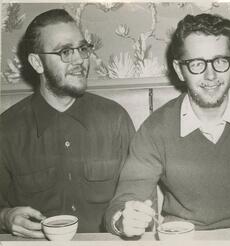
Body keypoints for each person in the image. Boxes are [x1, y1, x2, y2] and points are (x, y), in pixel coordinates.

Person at [105, 13, 230, 237]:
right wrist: (124, 218)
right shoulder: (155, 130)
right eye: (196, 64)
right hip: (185, 238)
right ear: (179, 69)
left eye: (220, 61)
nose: (211, 75)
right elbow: (125, 199)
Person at [0, 9, 135, 238]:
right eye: (65, 51)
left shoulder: (115, 120)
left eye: (82, 49)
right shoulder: (6, 131)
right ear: (37, 62)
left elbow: (138, 199)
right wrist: (4, 218)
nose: (80, 60)